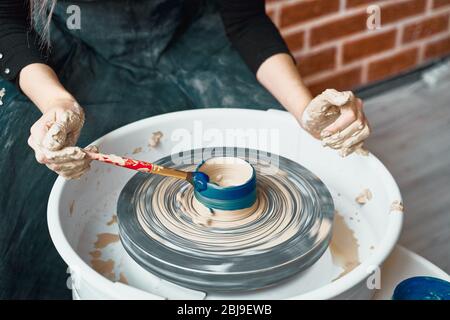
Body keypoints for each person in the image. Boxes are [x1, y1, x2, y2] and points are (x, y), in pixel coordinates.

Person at [0, 0, 370, 298]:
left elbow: (244, 19)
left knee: (271, 140)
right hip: (76, 48)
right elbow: (7, 19)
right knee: (40, 187)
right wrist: (57, 103)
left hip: (191, 35)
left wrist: (305, 111)